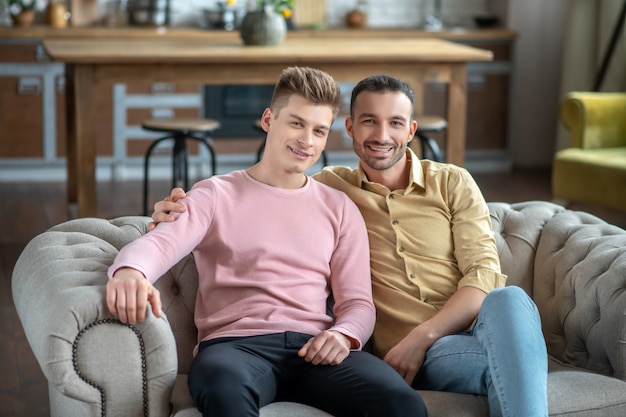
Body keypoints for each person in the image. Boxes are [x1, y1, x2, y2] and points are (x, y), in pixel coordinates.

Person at [153, 74, 549, 417]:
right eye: (369, 122)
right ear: (349, 128)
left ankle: (519, 365)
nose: (381, 135)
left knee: (510, 297)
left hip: (472, 330)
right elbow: (266, 193)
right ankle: (524, 370)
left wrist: (421, 337)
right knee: (517, 369)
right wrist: (167, 212)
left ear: (411, 130)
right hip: (439, 359)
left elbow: (483, 273)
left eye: (395, 123)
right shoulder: (329, 190)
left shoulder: (452, 182)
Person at [106, 67, 427, 417]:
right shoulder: (214, 194)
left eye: (318, 130)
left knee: (404, 404)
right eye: (296, 123)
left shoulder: (340, 207)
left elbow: (358, 303)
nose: (307, 140)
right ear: (268, 119)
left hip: (314, 349)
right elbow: (160, 243)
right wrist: (130, 272)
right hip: (234, 349)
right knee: (222, 389)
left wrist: (343, 335)